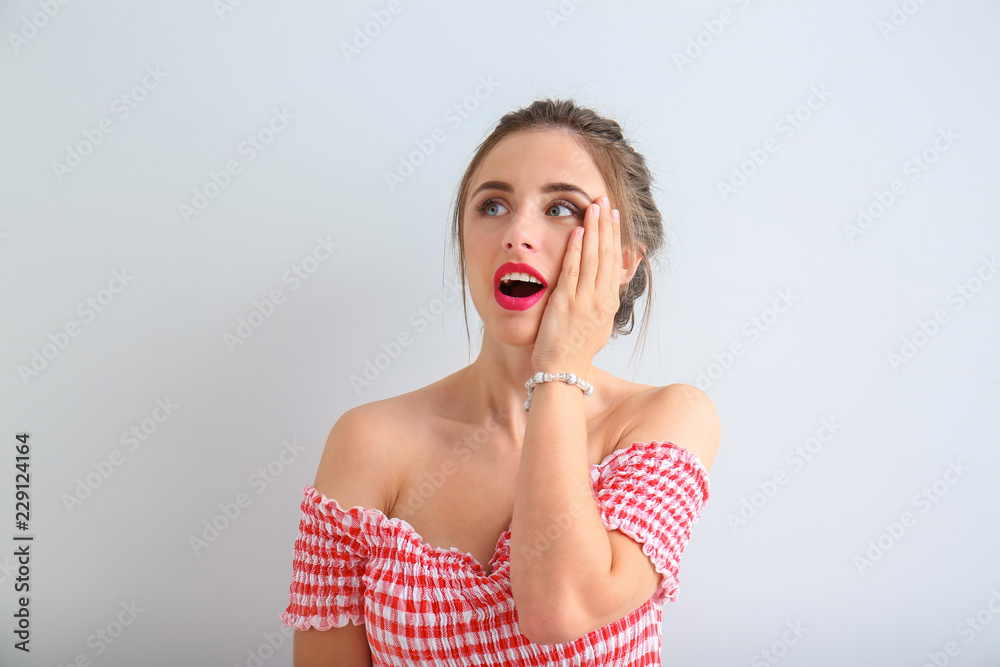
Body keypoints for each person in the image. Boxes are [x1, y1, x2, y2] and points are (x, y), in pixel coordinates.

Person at [280, 98, 720, 666]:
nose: (517, 233)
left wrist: (558, 364)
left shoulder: (665, 421)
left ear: (624, 262)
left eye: (562, 208)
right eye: (492, 206)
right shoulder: (368, 441)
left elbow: (559, 610)